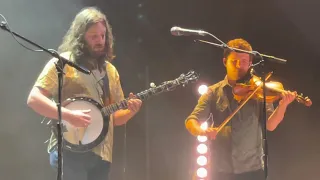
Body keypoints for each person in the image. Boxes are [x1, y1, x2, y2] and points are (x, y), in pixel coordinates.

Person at [27, 7, 142, 180]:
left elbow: (114, 118)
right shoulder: (62, 63)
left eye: (103, 36)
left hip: (102, 153)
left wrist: (131, 111)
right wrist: (69, 115)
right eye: (94, 36)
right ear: (80, 37)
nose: (100, 41)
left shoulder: (110, 71)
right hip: (69, 149)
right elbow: (34, 99)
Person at [185, 38, 297, 180]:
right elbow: (191, 120)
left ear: (250, 63)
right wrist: (202, 131)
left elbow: (271, 124)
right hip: (221, 169)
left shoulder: (258, 89)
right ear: (225, 61)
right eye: (234, 61)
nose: (239, 66)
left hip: (252, 169)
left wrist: (283, 105)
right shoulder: (213, 91)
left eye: (244, 61)